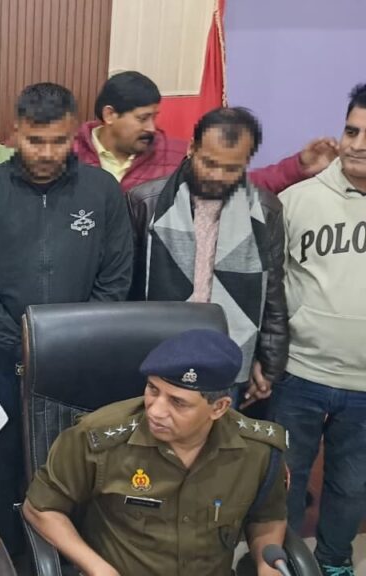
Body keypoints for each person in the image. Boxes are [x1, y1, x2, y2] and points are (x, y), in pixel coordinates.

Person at [0, 82, 132, 554]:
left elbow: (116, 280)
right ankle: (6, 557)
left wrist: (69, 346)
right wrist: (24, 347)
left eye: (59, 141)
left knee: (82, 466)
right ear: (15, 132)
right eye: (36, 141)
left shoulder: (103, 191)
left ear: (74, 134)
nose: (48, 153)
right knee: (1, 466)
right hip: (0, 363)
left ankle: (80, 557)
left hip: (82, 363)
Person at [23, 329, 288, 576]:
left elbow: (267, 518)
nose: (156, 411)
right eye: (152, 389)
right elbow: (40, 509)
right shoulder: (98, 439)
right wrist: (98, 569)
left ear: (218, 407)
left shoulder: (258, 450)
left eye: (178, 402)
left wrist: (268, 568)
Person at [128, 107, 288, 415]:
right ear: (192, 148)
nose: (217, 176)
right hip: (155, 352)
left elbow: (273, 293)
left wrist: (270, 364)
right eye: (209, 163)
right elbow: (127, 290)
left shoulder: (266, 210)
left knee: (218, 443)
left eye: (231, 168)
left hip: (228, 357)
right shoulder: (145, 201)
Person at [271, 83, 366, 576]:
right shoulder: (297, 200)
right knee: (285, 480)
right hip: (300, 372)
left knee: (352, 486)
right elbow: (270, 286)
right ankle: (284, 561)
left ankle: (333, 563)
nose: (357, 144)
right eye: (351, 131)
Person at [73, 70, 338, 194]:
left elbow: (237, 183)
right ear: (110, 115)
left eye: (154, 117)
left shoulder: (176, 154)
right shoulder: (69, 154)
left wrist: (298, 167)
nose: (152, 128)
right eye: (143, 119)